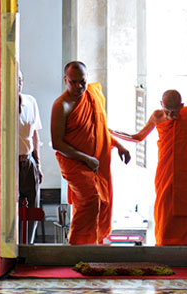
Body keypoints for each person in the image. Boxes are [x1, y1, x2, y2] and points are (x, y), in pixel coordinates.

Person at [112, 89, 187, 246]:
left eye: (175, 112)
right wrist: (111, 132)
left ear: (182, 106)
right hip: (165, 169)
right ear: (161, 105)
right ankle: (166, 241)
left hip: (186, 170)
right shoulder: (157, 116)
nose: (171, 116)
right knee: (165, 204)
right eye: (167, 111)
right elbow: (138, 137)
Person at [50, 60, 131, 245]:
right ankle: (79, 247)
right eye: (73, 82)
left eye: (83, 82)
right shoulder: (61, 105)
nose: (79, 86)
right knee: (90, 200)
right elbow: (57, 143)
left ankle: (95, 243)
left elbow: (100, 130)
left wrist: (119, 145)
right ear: (65, 80)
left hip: (95, 161)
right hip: (74, 162)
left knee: (103, 201)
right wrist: (86, 159)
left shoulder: (93, 95)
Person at [18, 69, 43, 243]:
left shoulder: (30, 101)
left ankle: (28, 245)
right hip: (9, 164)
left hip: (28, 161)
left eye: (20, 79)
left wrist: (38, 164)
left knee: (33, 207)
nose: (18, 83)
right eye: (14, 80)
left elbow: (35, 135)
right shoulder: (2, 103)